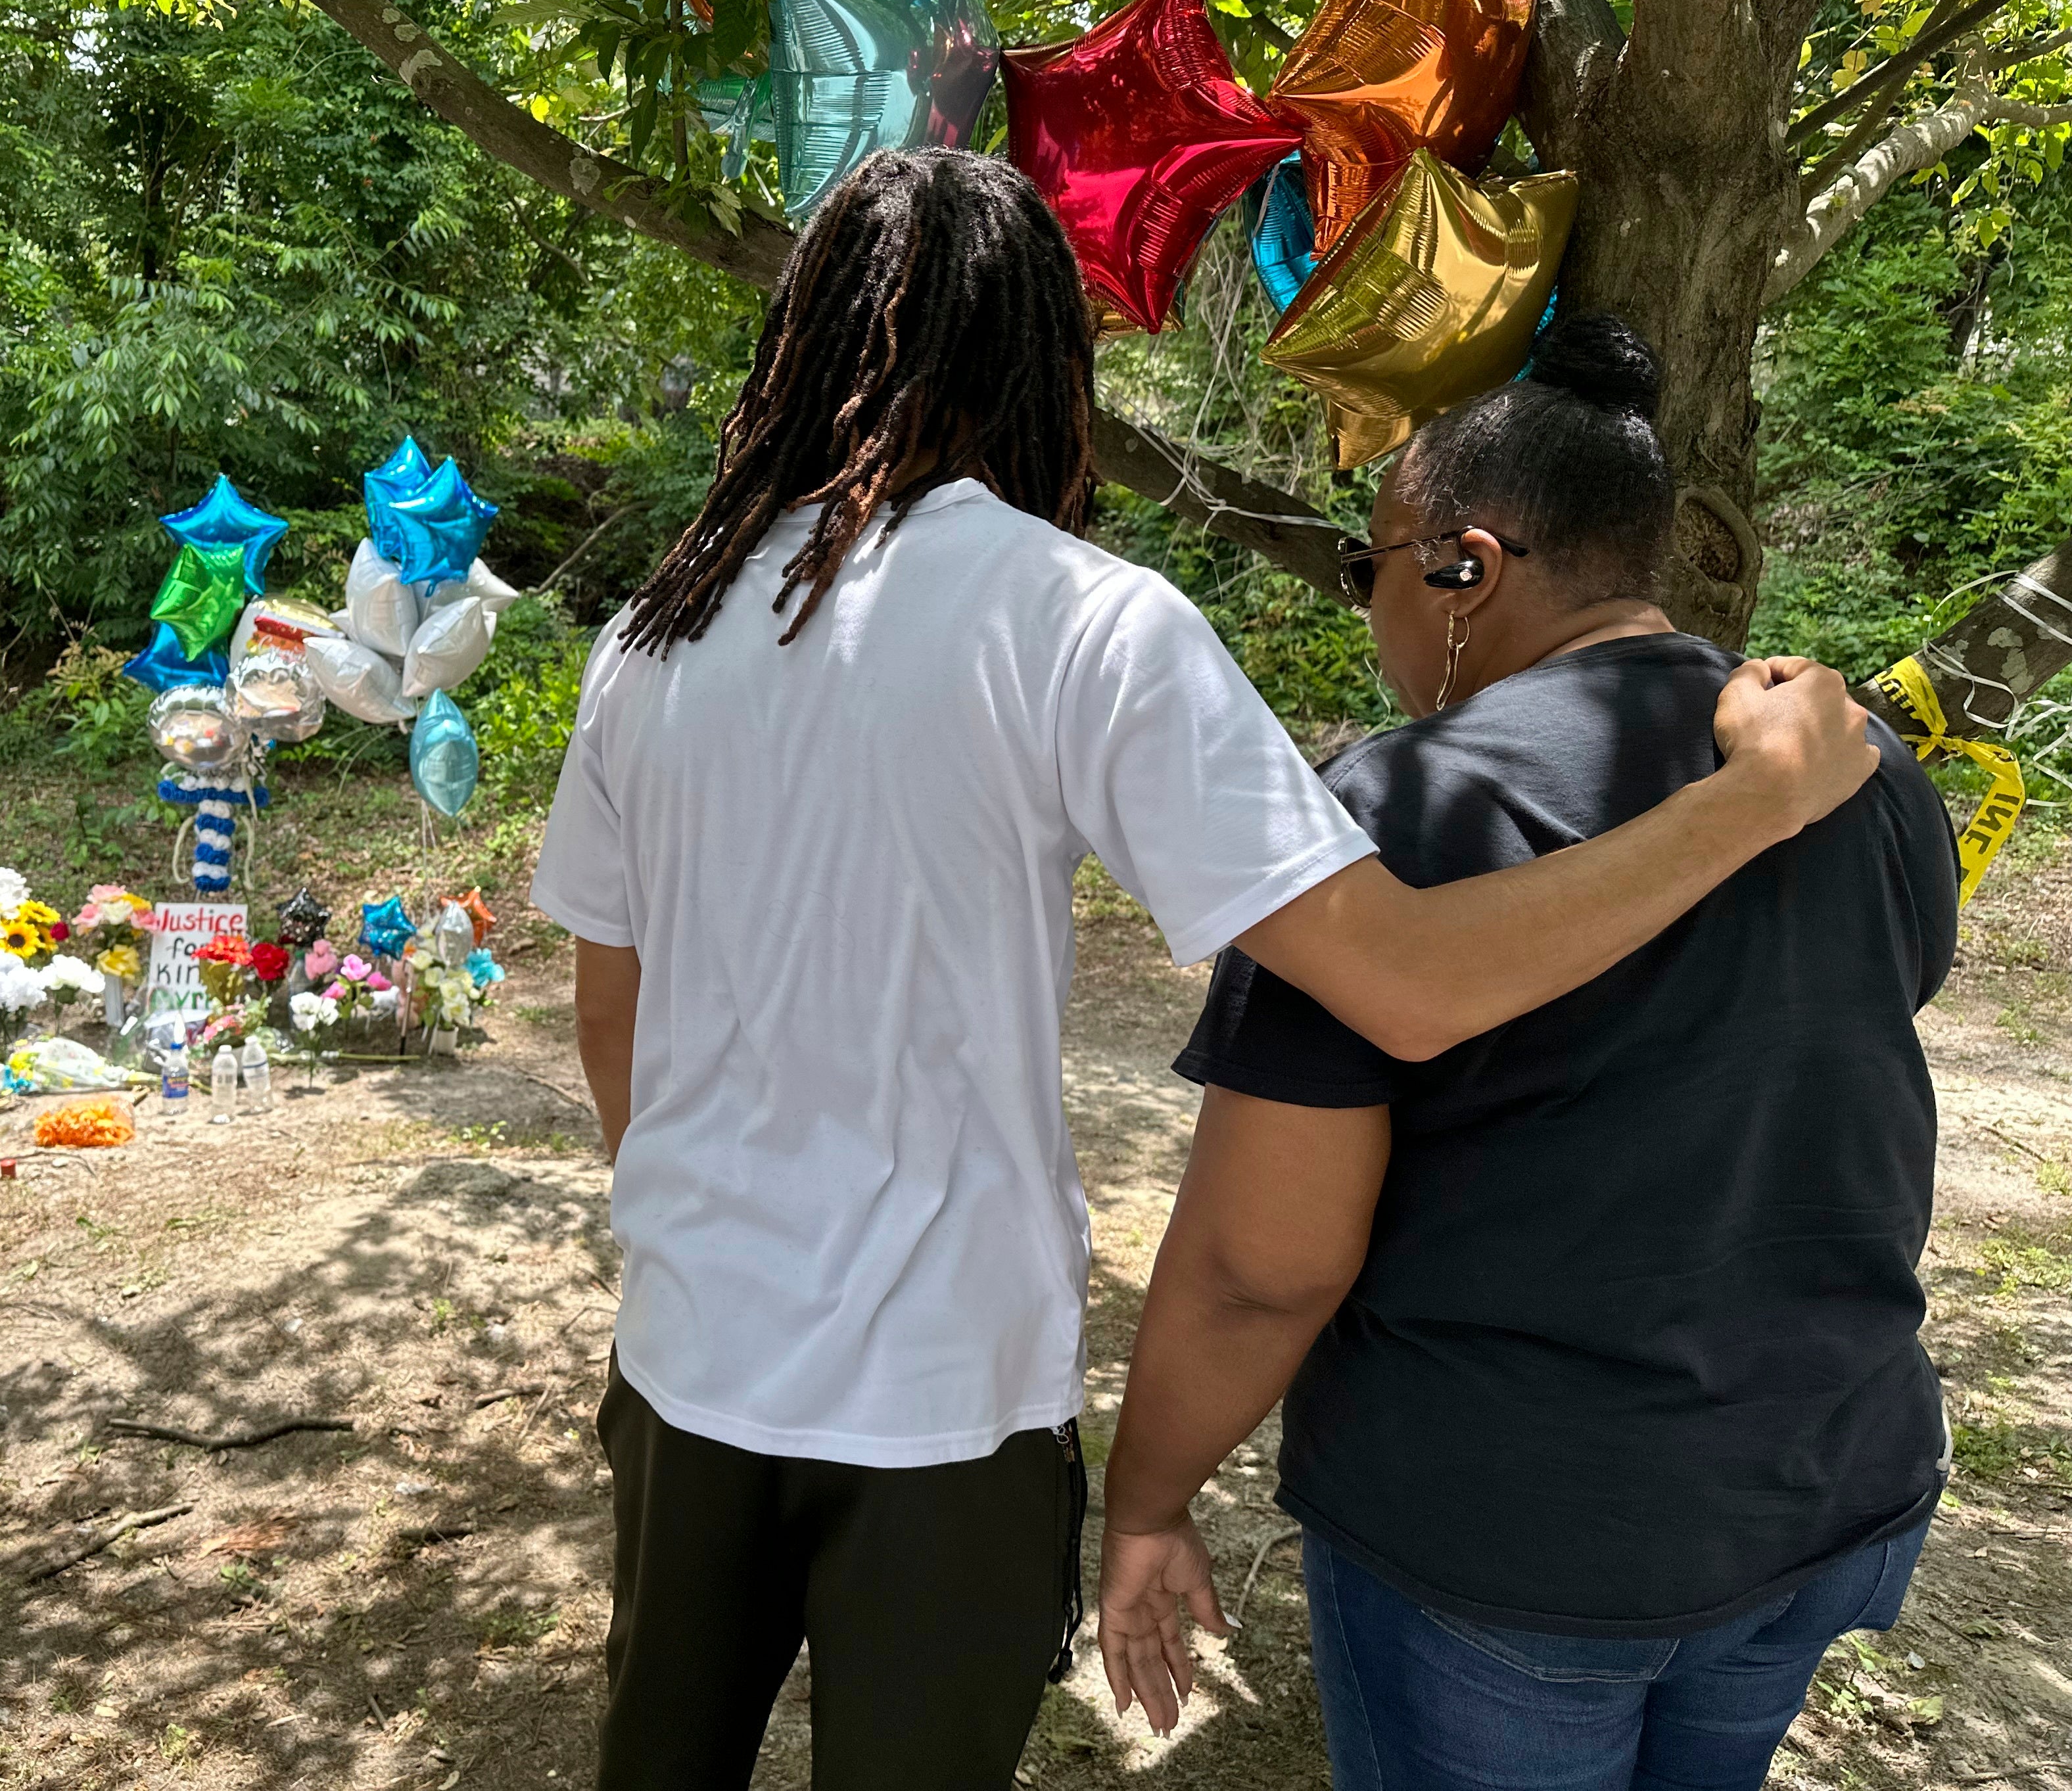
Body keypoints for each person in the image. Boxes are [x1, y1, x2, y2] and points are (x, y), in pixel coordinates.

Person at [529, 155, 1878, 1791]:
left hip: (685, 1363)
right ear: (1049, 359)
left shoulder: (652, 634)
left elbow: (616, 1016)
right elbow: (1403, 981)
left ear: (798, 340)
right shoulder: (1081, 619)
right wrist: (1757, 798)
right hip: (943, 1403)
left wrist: (716, 1228)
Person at [1096, 314, 1959, 1791]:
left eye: (1370, 563)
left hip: (1514, 1533)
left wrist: (1150, 1502)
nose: (1366, 600)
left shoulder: (1398, 813)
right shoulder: (1853, 769)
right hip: (1825, 1477)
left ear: (1462, 566)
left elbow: (1266, 1262)